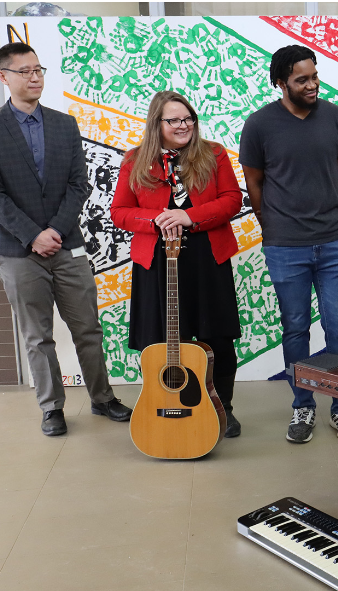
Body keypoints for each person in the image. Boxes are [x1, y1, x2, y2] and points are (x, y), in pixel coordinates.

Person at [0, 42, 132, 437]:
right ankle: (52, 407)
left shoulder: (64, 124)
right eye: (24, 71)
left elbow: (79, 184)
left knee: (88, 329)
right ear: (3, 76)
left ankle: (102, 396)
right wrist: (33, 235)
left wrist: (55, 231)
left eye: (38, 69)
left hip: (68, 245)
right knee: (37, 336)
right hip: (18, 251)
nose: (35, 76)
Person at [240, 45, 338, 444]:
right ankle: (303, 406)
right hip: (285, 246)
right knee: (295, 328)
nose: (312, 85)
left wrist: (316, 201)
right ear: (281, 82)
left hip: (334, 241)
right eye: (301, 80)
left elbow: (337, 170)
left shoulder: (336, 118)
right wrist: (272, 224)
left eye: (315, 76)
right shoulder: (259, 125)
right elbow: (254, 181)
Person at [111, 91, 243, 438]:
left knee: (218, 338)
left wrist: (188, 216)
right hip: (156, 263)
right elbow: (120, 212)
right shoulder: (135, 160)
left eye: (188, 119)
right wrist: (157, 219)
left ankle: (221, 408)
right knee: (164, 342)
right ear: (158, 124)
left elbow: (232, 200)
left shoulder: (213, 154)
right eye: (174, 120)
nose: (184, 125)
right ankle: (178, 408)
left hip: (207, 258)